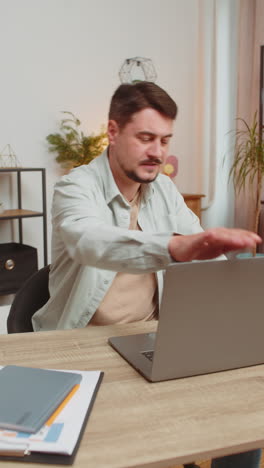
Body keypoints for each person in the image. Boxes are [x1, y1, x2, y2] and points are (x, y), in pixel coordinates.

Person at [32, 82, 261, 467]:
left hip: (151, 339)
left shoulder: (164, 189)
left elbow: (201, 250)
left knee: (244, 415)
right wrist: (172, 247)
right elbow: (88, 240)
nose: (158, 152)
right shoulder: (75, 188)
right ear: (112, 131)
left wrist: (233, 278)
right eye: (145, 138)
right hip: (80, 345)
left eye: (166, 140)